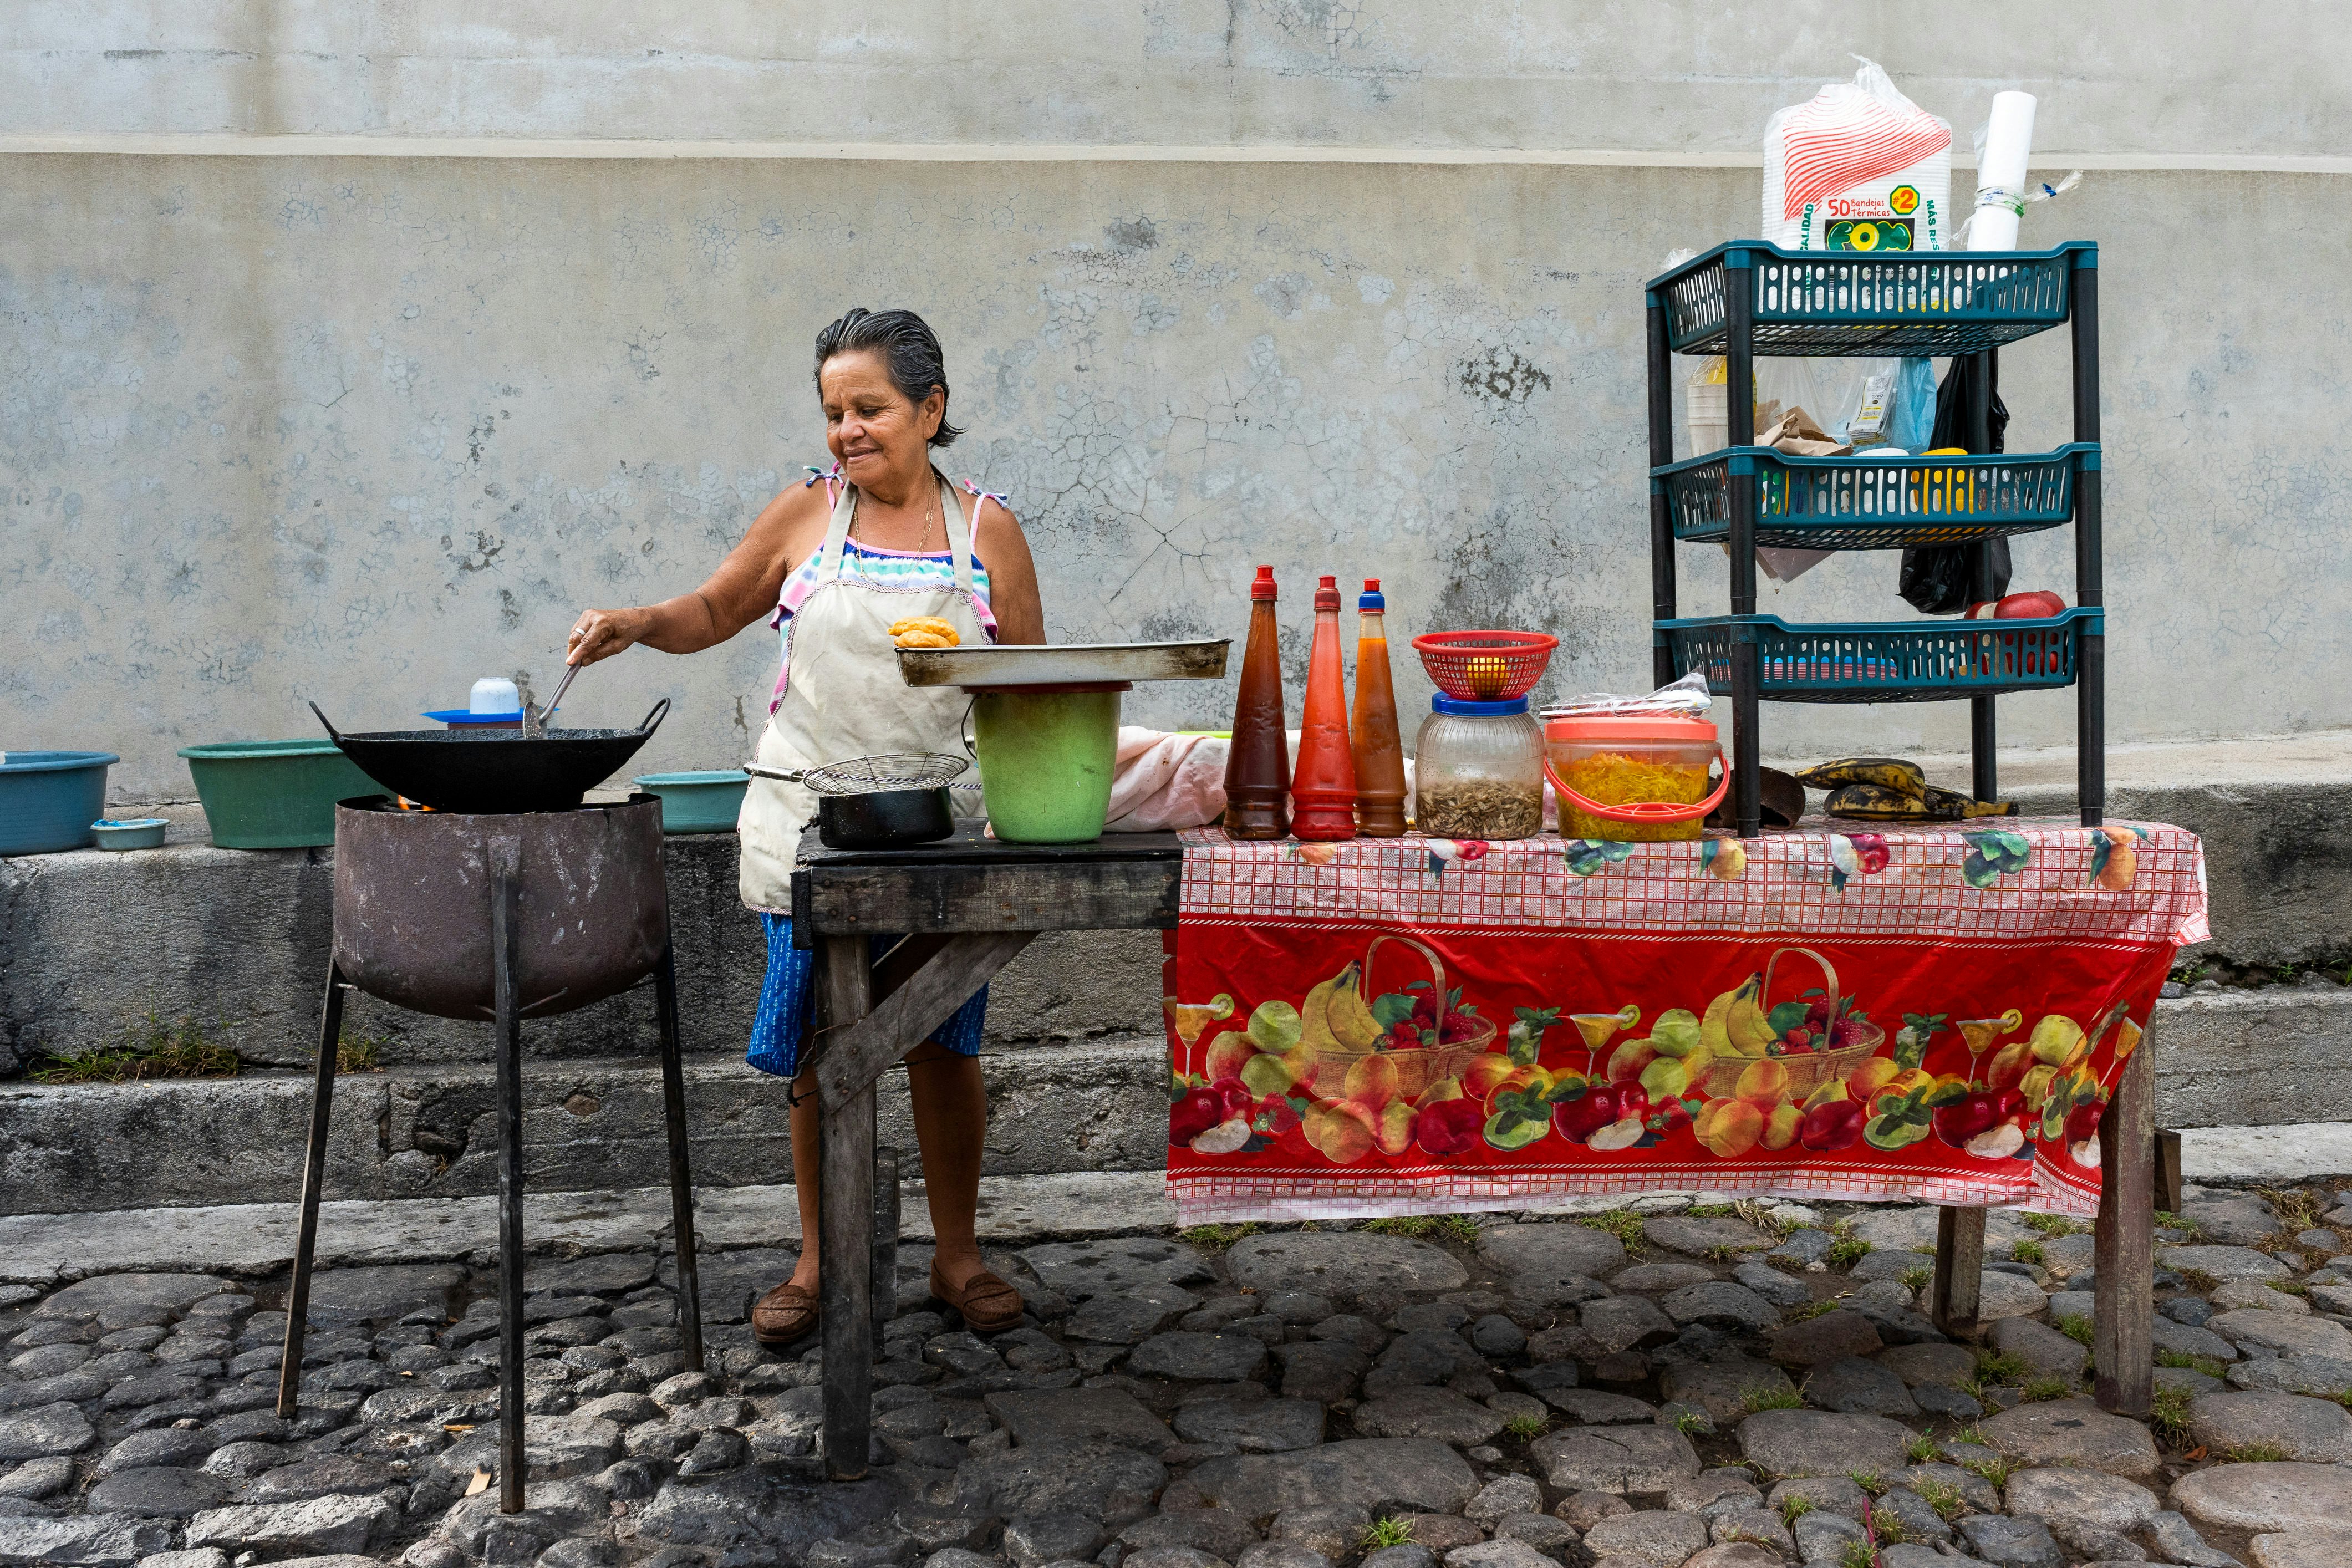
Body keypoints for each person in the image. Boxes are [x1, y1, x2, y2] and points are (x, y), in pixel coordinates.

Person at [564, 308, 1044, 1343]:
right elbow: (714, 610)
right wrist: (640, 624)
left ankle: (956, 1258)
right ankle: (820, 1260)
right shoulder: (806, 515)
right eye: (834, 413)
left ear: (931, 409)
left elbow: (1027, 692)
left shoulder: (985, 532)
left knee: (940, 1042)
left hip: (942, 826)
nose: (848, 431)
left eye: (869, 408)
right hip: (809, 823)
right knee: (824, 1037)